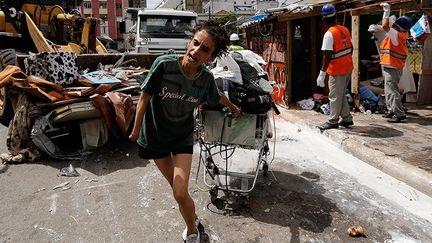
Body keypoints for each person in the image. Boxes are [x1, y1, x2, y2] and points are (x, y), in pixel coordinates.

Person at [129, 20, 241, 243]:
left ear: (211, 58)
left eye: (205, 50)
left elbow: (217, 96)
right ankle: (194, 218)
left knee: (180, 193)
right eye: (196, 43)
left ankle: (191, 231)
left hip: (182, 137)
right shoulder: (164, 64)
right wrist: (135, 129)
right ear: (190, 41)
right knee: (178, 191)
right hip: (155, 137)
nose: (196, 51)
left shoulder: (206, 79)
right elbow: (144, 96)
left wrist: (233, 107)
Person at [368, 3, 412, 123]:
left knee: (392, 90)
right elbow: (386, 29)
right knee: (389, 89)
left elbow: (386, 26)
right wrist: (377, 27)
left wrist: (386, 12)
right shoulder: (400, 34)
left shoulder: (397, 34)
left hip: (393, 66)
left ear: (398, 26)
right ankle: (391, 110)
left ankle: (399, 114)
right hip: (391, 65)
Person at [316, 3, 354, 130]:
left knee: (334, 95)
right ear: (335, 16)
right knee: (341, 94)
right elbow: (351, 48)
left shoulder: (329, 34)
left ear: (323, 19)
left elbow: (327, 55)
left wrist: (322, 74)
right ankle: (347, 118)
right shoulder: (345, 29)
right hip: (348, 67)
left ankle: (333, 121)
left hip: (337, 70)